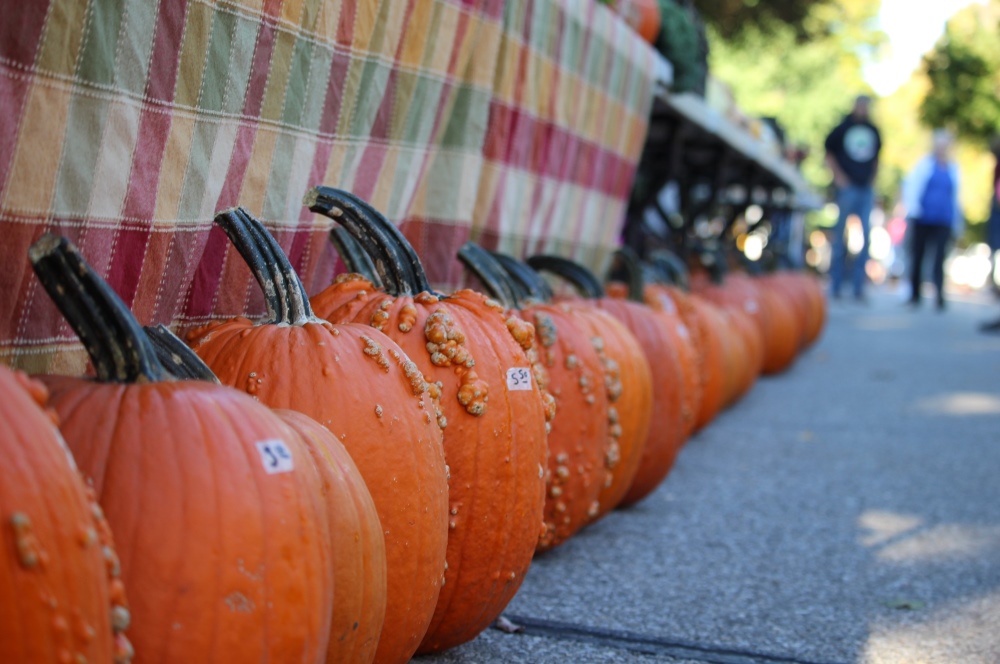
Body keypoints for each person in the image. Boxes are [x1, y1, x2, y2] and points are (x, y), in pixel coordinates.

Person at [824, 94, 882, 302]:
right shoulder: (843, 128)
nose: (863, 109)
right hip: (847, 188)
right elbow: (828, 152)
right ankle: (836, 285)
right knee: (840, 238)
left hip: (865, 188)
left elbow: (876, 159)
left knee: (866, 238)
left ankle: (858, 287)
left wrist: (873, 182)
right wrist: (839, 177)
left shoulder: (874, 131)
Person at [901, 129, 962, 310]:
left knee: (939, 258)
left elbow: (957, 197)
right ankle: (914, 294)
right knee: (918, 255)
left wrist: (958, 221)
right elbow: (911, 188)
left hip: (944, 219)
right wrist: (913, 210)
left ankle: (939, 296)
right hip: (923, 217)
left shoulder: (953, 168)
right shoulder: (925, 164)